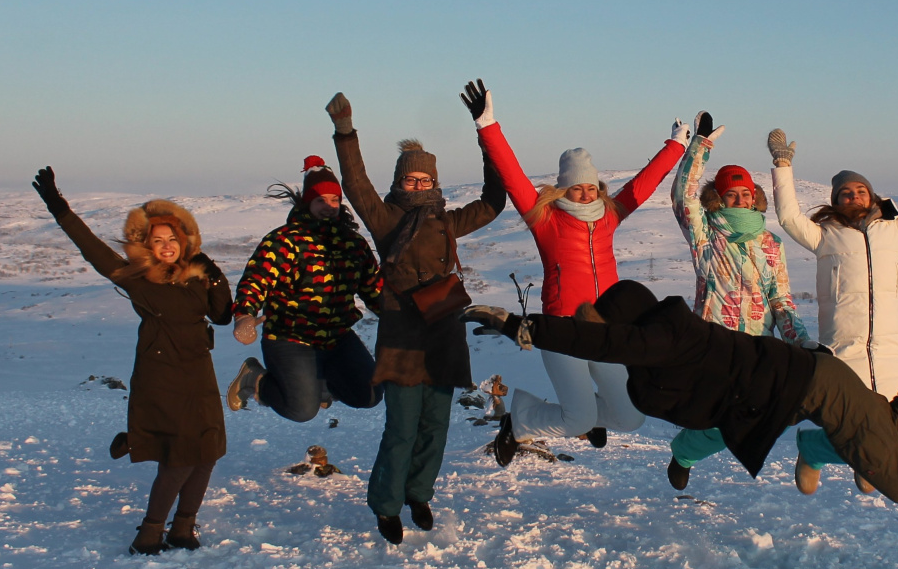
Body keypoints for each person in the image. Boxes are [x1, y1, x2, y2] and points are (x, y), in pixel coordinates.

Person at [462, 280, 898, 508]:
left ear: (624, 324)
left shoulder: (670, 333)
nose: (600, 342)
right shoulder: (652, 366)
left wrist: (528, 326)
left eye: (603, 329)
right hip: (808, 388)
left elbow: (613, 344)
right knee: (896, 429)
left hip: (813, 387)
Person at [463, 79, 687, 463]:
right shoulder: (545, 218)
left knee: (631, 417)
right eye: (576, 188)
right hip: (563, 328)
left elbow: (641, 187)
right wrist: (487, 126)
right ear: (563, 188)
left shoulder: (608, 216)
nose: (585, 194)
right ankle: (520, 421)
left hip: (605, 326)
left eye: (590, 187)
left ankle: (587, 412)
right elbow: (513, 175)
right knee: (577, 415)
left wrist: (676, 146)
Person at [327, 89, 506, 544]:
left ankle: (419, 494)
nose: (419, 185)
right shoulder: (386, 220)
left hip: (443, 335)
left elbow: (493, 200)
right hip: (403, 337)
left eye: (425, 180)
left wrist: (486, 134)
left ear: (435, 183)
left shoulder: (448, 221)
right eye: (412, 180)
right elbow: (357, 186)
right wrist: (345, 132)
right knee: (402, 429)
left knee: (436, 428)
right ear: (400, 183)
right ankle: (386, 505)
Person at [767, 116, 898, 495]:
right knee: (847, 426)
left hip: (890, 349)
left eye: (860, 190)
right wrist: (783, 166)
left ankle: (867, 460)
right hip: (844, 350)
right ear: (835, 201)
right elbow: (787, 216)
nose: (854, 196)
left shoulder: (896, 230)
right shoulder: (824, 237)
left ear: (873, 195)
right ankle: (815, 450)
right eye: (845, 193)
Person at [31, 168, 234, 554]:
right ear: (146, 245)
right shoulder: (138, 279)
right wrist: (61, 210)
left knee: (206, 454)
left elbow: (223, 315)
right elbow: (93, 250)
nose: (167, 245)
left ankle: (183, 529)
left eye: (172, 238)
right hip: (163, 378)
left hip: (199, 374)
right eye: (158, 240)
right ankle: (150, 532)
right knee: (179, 458)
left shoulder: (195, 276)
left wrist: (212, 270)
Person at [665, 110, 812, 490]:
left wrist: (801, 342)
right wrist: (700, 146)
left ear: (755, 199)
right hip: (713, 342)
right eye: (731, 193)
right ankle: (684, 454)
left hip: (759, 348)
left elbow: (781, 300)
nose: (740, 198)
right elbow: (683, 195)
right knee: (718, 416)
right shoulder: (705, 235)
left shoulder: (770, 244)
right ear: (718, 198)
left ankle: (685, 451)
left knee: (749, 418)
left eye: (746, 193)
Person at [226, 156, 384, 421]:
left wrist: (406, 315)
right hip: (290, 337)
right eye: (321, 200)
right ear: (307, 202)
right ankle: (255, 380)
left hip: (337, 337)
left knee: (368, 396)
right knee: (301, 410)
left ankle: (320, 383)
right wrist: (244, 315)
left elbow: (373, 289)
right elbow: (256, 280)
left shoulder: (352, 243)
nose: (329, 206)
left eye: (334, 200)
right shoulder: (285, 240)